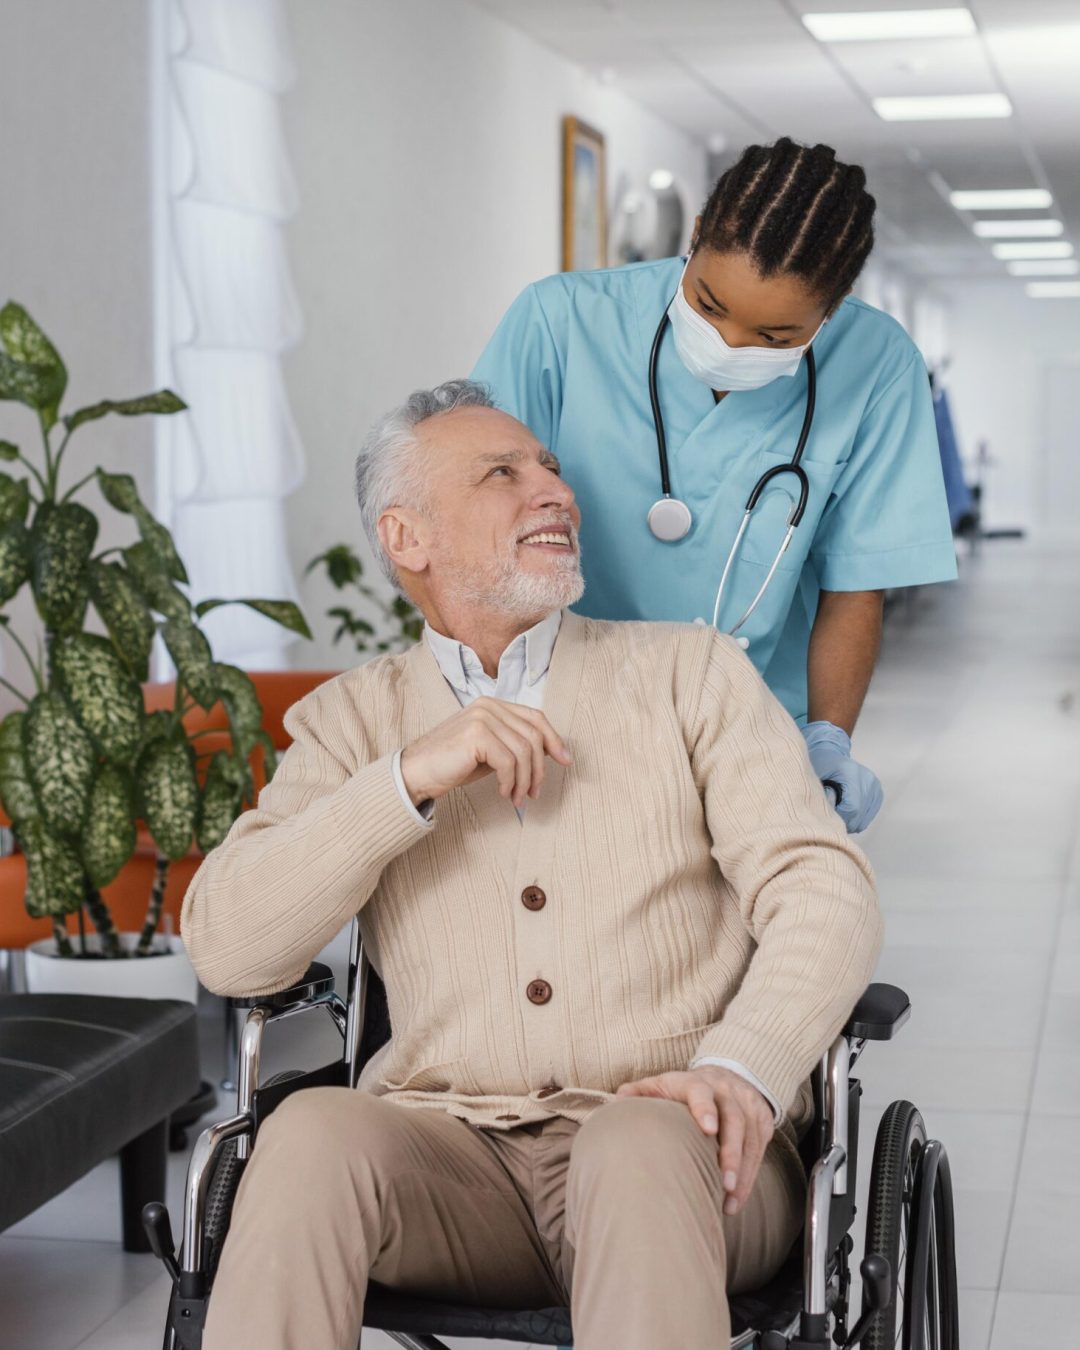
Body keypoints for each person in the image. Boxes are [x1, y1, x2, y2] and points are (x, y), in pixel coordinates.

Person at [183, 380, 882, 1350]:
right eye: (501, 475)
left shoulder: (692, 673)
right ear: (407, 539)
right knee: (309, 1134)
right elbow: (230, 952)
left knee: (637, 1146)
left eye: (549, 469)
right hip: (452, 1165)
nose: (552, 491)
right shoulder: (353, 719)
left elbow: (822, 888)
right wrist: (408, 781)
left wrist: (745, 1066)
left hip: (687, 1155)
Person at [472, 137, 957, 834]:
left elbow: (858, 583)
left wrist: (828, 739)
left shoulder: (878, 367)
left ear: (834, 307)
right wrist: (495, 702)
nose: (730, 344)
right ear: (694, 237)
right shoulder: (561, 322)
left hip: (753, 728)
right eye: (707, 303)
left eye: (774, 334)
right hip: (554, 716)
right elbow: (480, 523)